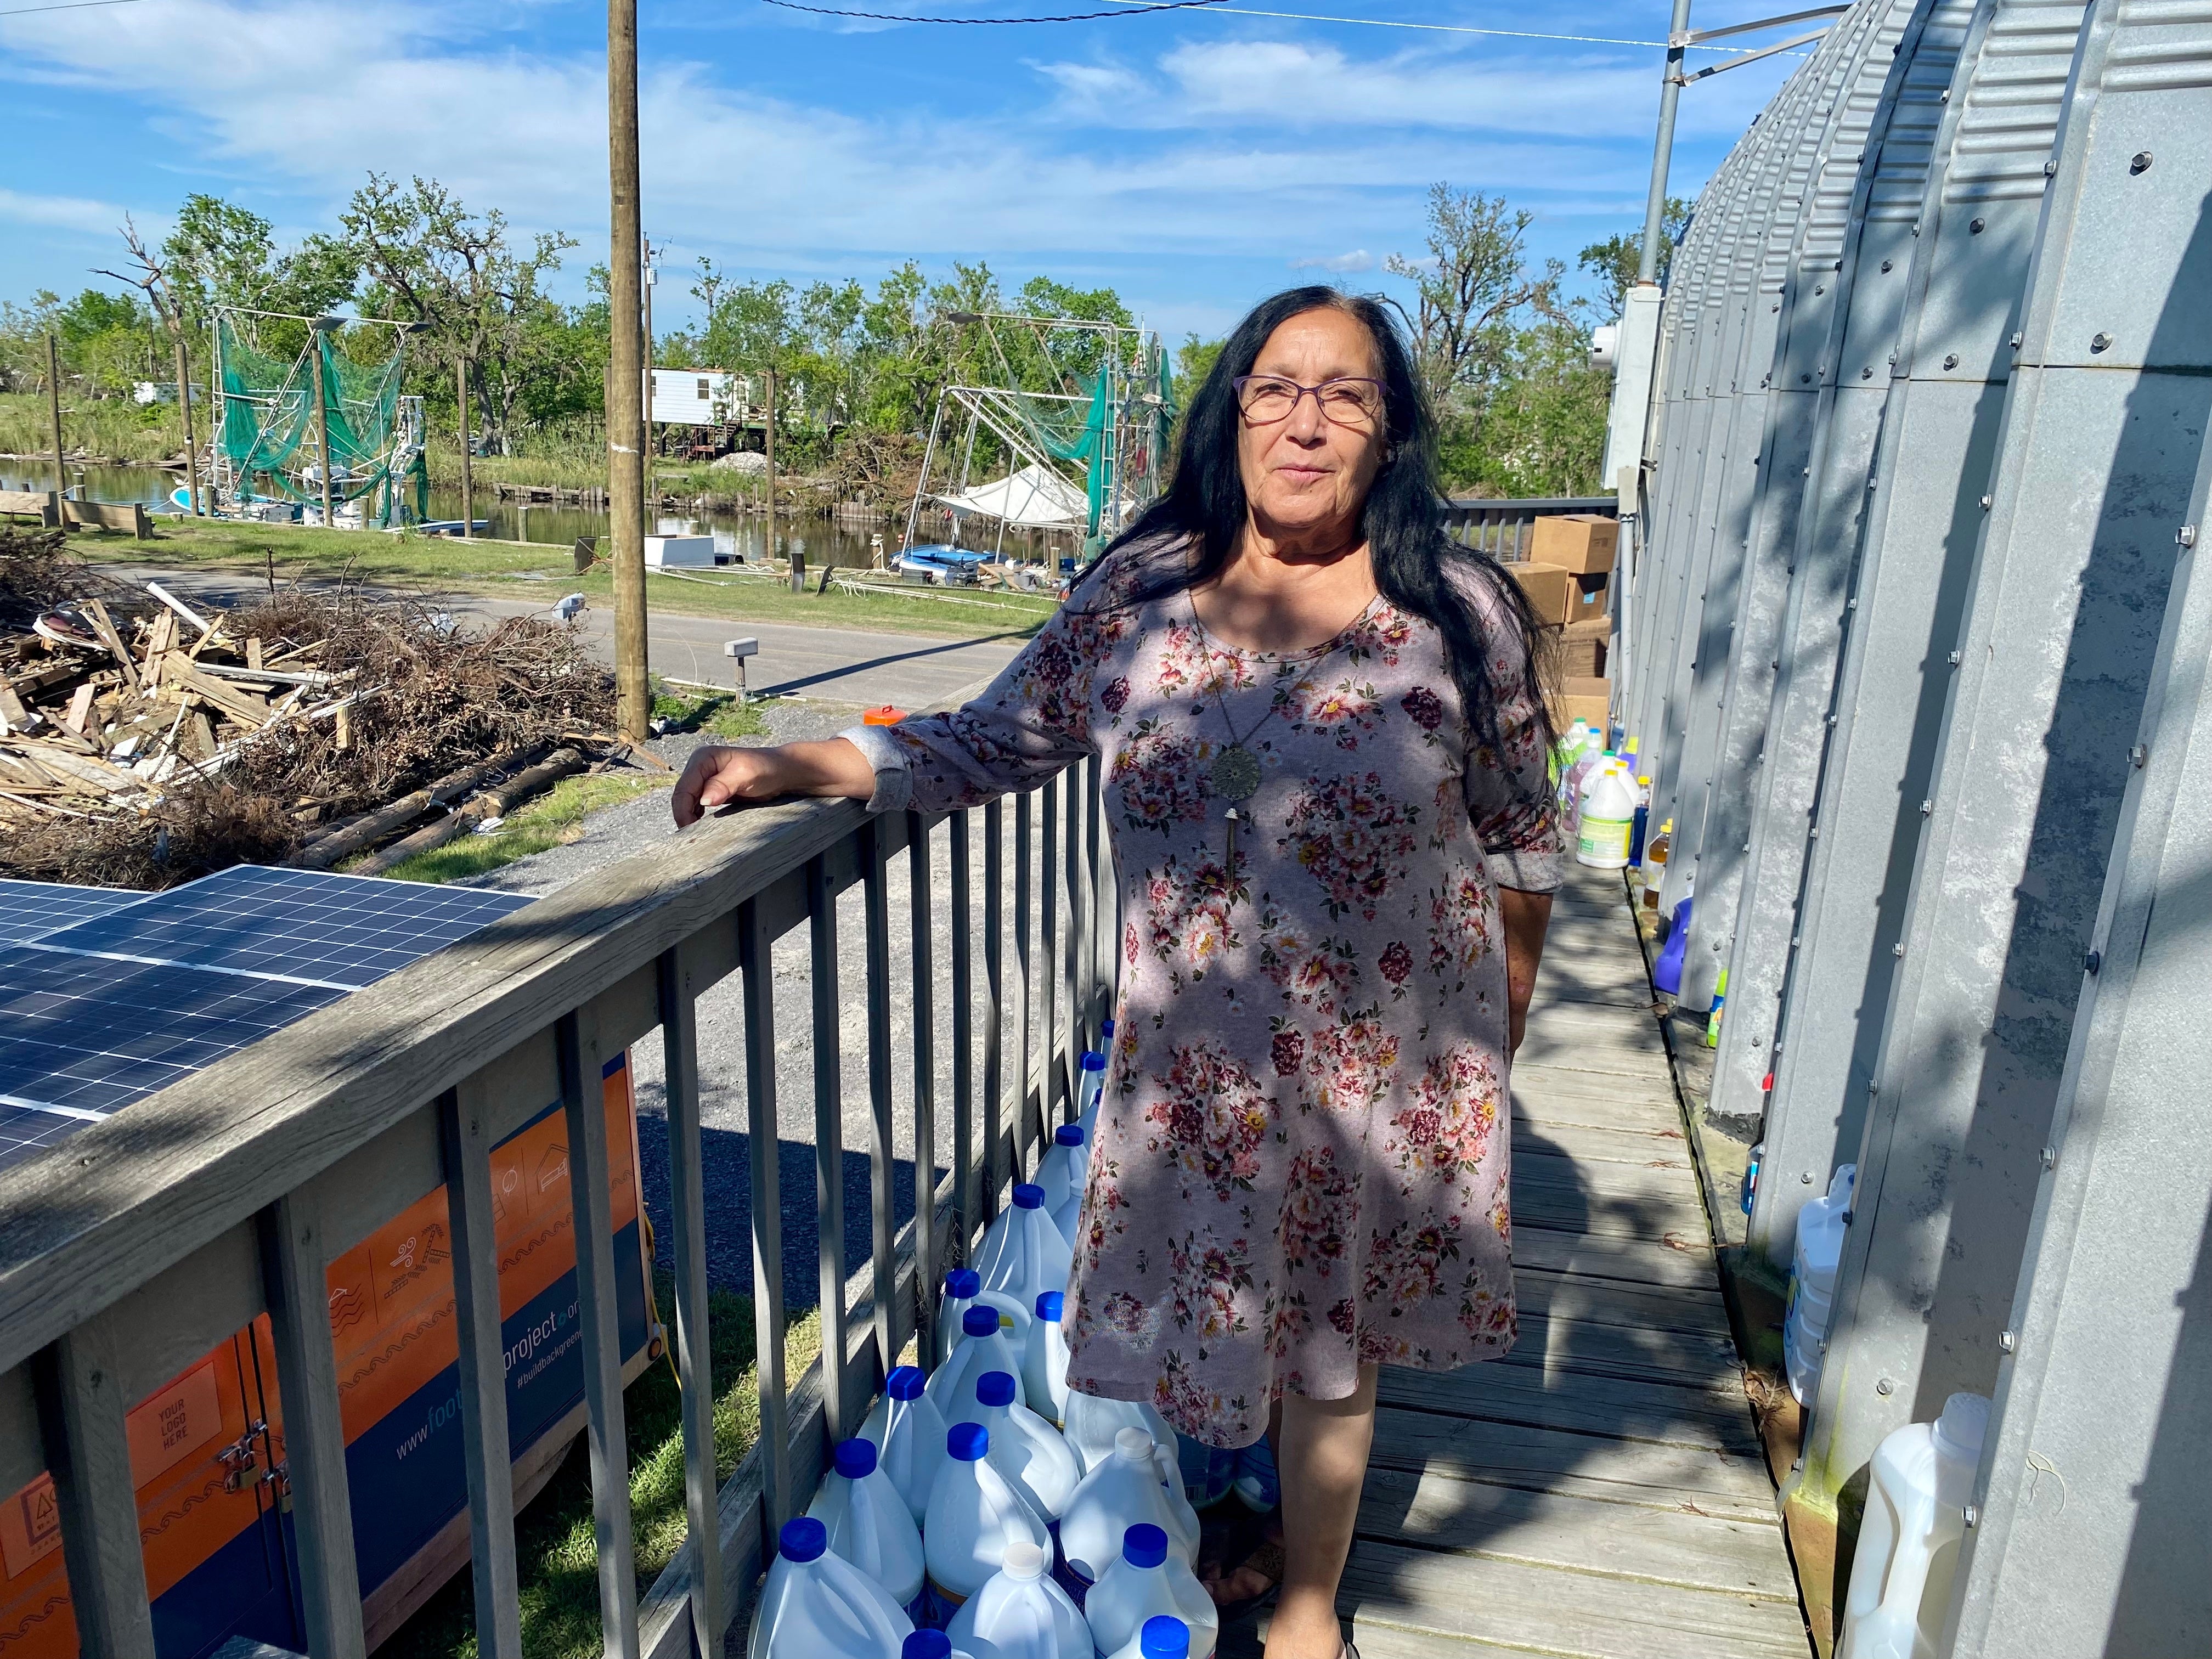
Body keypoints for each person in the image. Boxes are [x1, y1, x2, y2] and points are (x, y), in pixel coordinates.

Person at [672, 286, 1561, 1659]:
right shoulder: (1142, 593)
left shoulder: (1455, 609)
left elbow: (1523, 832)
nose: (1306, 419)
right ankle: (1244, 1517)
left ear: (1391, 435)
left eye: (1345, 393)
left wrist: (1501, 1032)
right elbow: (991, 738)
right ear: (1231, 416)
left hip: (1383, 1071)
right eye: (1275, 387)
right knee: (1228, 1320)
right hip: (1195, 1071)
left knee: (1333, 1350)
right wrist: (809, 761)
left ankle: (1314, 1607)